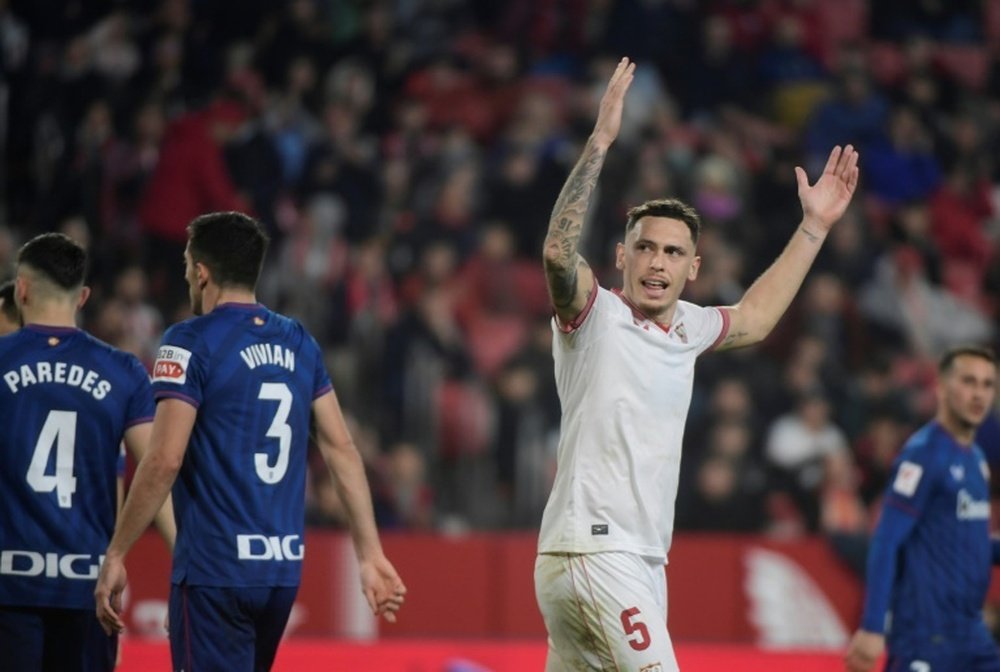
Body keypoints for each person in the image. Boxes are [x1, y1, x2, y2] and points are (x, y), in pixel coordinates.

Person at [534, 57, 859, 671]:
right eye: (646, 248)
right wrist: (601, 142)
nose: (658, 263)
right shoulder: (595, 315)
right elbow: (556, 252)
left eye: (673, 253)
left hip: (633, 561)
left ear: (694, 269)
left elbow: (757, 318)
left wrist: (814, 226)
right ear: (622, 257)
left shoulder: (688, 326)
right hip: (597, 555)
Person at [94, 211, 406, 670]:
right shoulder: (300, 342)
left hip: (215, 571)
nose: (185, 275)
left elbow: (163, 458)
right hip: (279, 573)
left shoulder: (188, 340)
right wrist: (370, 552)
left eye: (186, 265)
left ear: (201, 272)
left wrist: (117, 552)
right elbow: (342, 448)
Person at [0, 233, 159, 671]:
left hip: (9, 584)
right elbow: (155, 468)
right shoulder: (125, 370)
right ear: (83, 296)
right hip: (89, 585)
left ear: (21, 289)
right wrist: (175, 563)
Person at [845, 346, 1000, 672]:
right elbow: (887, 541)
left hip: (971, 633)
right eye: (969, 382)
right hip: (925, 634)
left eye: (988, 385)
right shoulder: (923, 454)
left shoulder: (976, 461)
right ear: (941, 388)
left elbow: (959, 541)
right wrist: (873, 627)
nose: (979, 394)